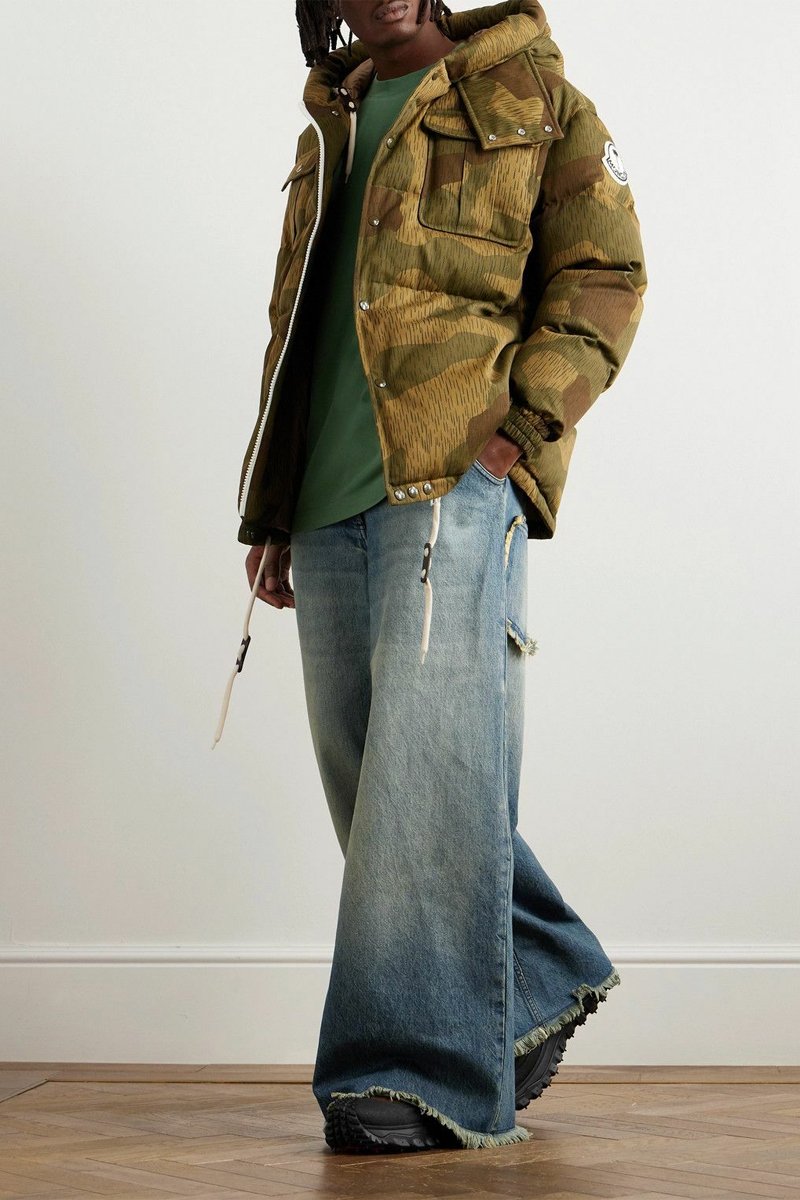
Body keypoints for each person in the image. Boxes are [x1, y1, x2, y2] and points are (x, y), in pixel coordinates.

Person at [214, 0, 647, 1155]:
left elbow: (604, 274)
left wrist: (517, 436)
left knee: (425, 783)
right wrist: (271, 505)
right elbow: (297, 326)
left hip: (450, 486)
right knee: (375, 787)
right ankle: (536, 972)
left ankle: (409, 1076)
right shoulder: (332, 122)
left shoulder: (533, 97)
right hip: (324, 500)